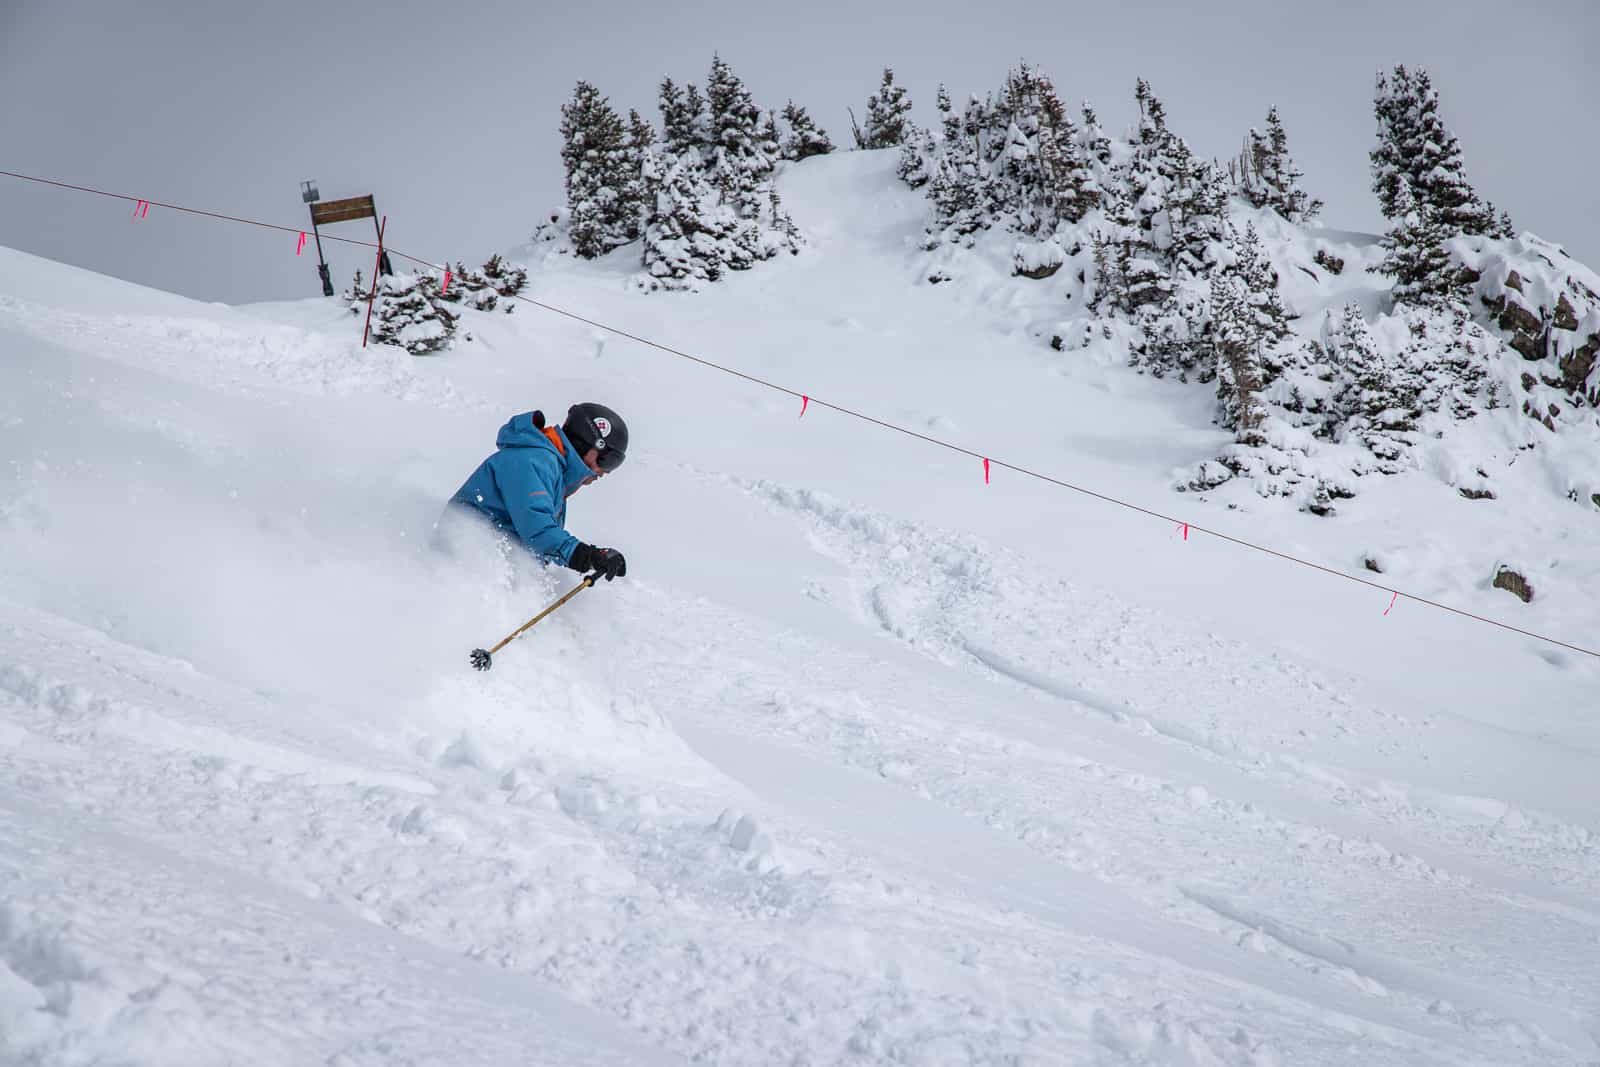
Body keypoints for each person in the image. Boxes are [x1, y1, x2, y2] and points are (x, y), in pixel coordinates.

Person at [447, 403, 628, 580]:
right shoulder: (532, 461)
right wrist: (586, 555)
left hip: (483, 567)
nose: (604, 472)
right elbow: (536, 528)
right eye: (608, 460)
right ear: (586, 442)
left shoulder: (552, 470)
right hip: (461, 564)